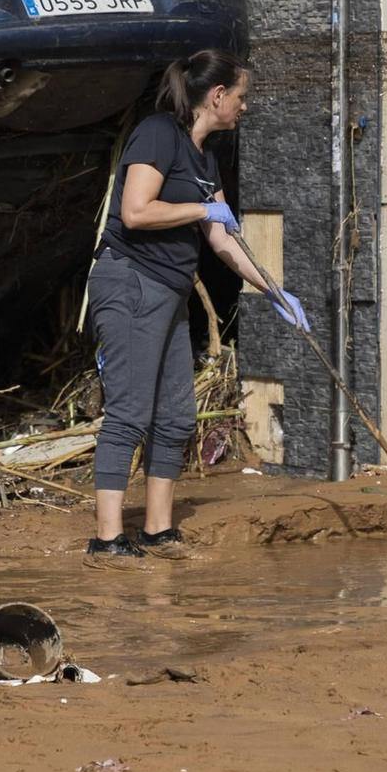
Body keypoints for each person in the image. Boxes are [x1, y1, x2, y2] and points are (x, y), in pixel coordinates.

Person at [83, 49, 310, 568]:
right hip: (130, 281)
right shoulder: (158, 133)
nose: (245, 107)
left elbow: (224, 239)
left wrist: (275, 292)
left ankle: (159, 531)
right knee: (130, 412)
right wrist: (201, 206)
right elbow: (136, 212)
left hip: (169, 291)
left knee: (177, 415)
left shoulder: (206, 158)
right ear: (217, 96)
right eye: (242, 97)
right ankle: (108, 540)